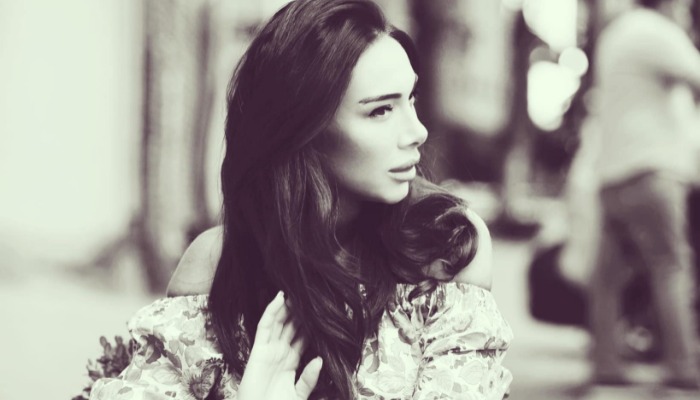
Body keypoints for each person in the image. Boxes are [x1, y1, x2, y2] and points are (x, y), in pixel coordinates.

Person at [88, 0, 513, 399]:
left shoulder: (445, 249)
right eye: (381, 110)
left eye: (411, 98)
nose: (417, 132)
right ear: (304, 130)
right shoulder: (217, 266)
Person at [588, 0, 700, 391]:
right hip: (653, 170)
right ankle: (682, 365)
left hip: (611, 171)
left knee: (607, 277)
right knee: (670, 266)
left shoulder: (613, 35)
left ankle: (606, 363)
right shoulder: (659, 32)